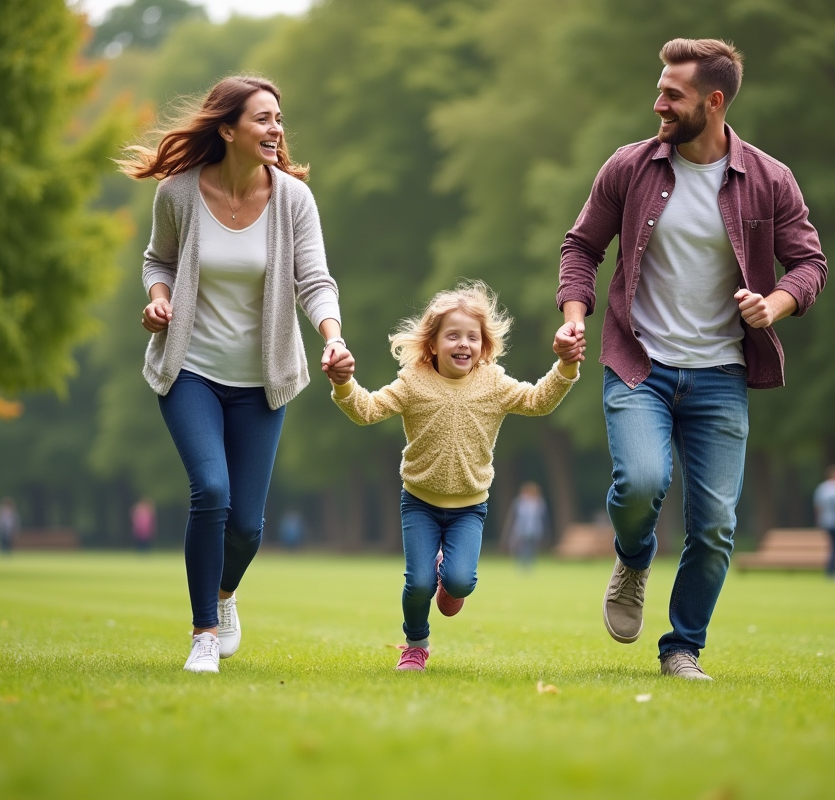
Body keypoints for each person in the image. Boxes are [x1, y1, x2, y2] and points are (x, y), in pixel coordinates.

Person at [555, 39, 828, 680]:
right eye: (660, 89)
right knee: (641, 484)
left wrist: (775, 305)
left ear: (714, 101)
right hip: (638, 364)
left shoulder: (768, 179)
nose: (659, 103)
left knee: (715, 526)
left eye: (672, 94)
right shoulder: (629, 167)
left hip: (721, 375)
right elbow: (581, 247)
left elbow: (810, 263)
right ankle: (634, 553)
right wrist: (574, 319)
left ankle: (682, 648)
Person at [119, 75, 355, 674]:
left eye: (279, 118)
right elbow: (158, 259)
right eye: (263, 119)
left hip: (262, 379)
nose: (276, 129)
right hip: (190, 369)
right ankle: (203, 633)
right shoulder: (177, 193)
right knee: (212, 492)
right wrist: (157, 297)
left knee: (247, 526)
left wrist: (333, 338)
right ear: (228, 130)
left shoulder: (294, 200)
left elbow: (315, 280)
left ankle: (225, 596)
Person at [329, 281, 578, 671]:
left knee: (460, 583)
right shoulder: (414, 383)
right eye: (453, 336)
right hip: (419, 503)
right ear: (432, 344)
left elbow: (537, 400)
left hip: (469, 507)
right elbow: (368, 409)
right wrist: (343, 384)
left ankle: (449, 571)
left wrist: (566, 365)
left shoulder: (493, 383)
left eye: (472, 337)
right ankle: (415, 645)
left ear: (483, 345)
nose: (463, 344)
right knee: (419, 585)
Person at [504, 482, 549, 570]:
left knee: (531, 548)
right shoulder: (519, 502)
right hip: (521, 530)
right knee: (521, 548)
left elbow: (543, 518)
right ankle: (522, 565)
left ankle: (528, 565)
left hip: (534, 529)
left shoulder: (539, 502)